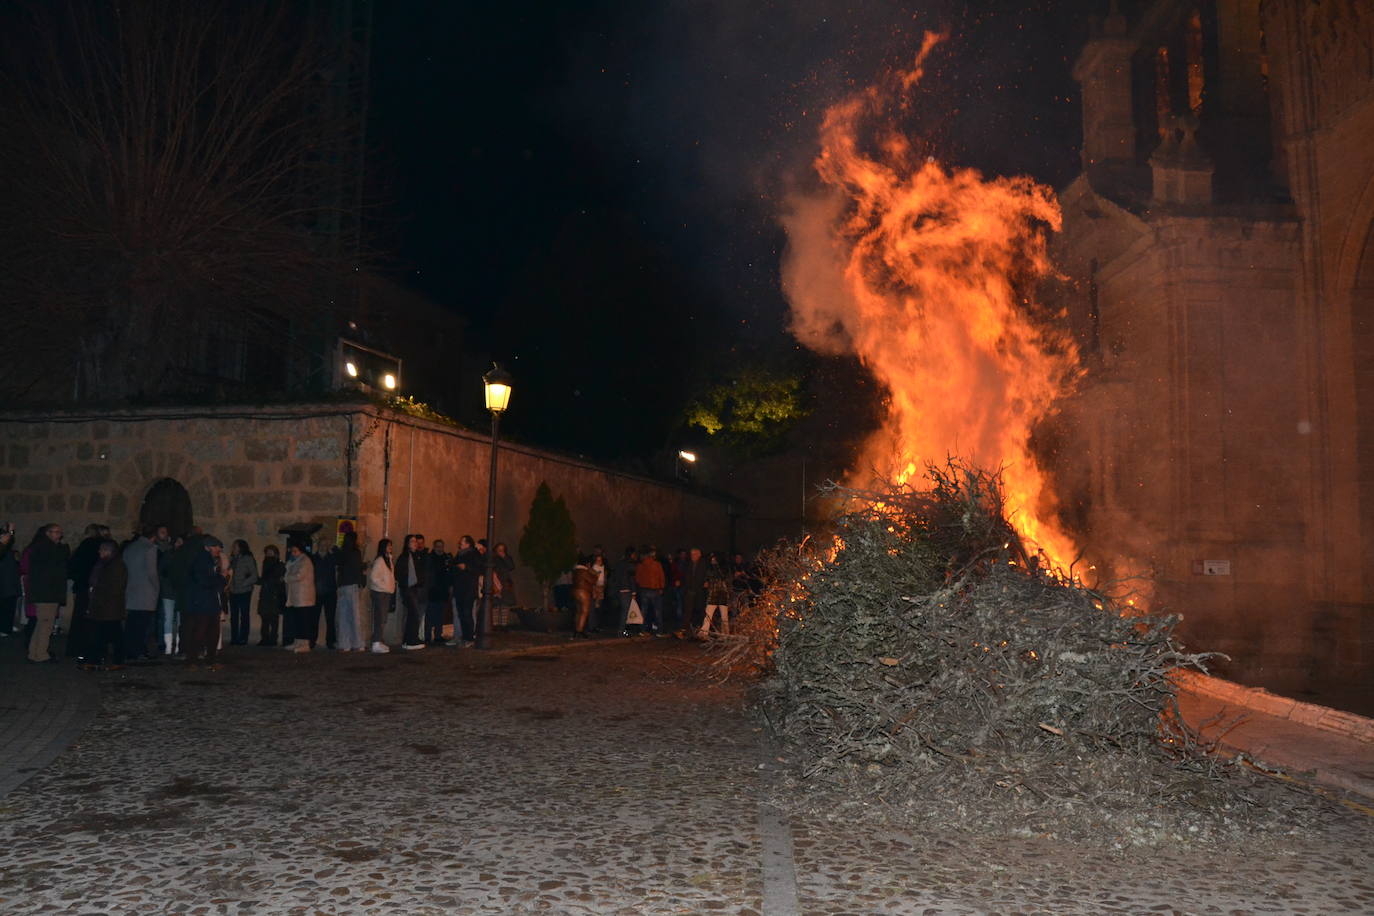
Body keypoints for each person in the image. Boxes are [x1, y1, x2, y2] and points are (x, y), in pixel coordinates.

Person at [26, 524, 70, 663]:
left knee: (41, 624)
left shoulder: (41, 547)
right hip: (47, 593)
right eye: (56, 532)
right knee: (46, 624)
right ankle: (41, 654)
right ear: (48, 533)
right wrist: (63, 547)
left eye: (60, 532)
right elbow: (55, 564)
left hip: (46, 593)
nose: (59, 535)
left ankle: (34, 653)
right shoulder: (47, 548)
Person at [83, 539, 128, 670]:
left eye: (102, 549)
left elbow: (115, 587)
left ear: (108, 551)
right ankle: (95, 659)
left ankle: (117, 661)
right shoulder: (104, 564)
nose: (99, 552)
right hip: (101, 606)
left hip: (110, 607)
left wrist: (98, 590)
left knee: (114, 635)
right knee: (98, 635)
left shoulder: (116, 565)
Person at [183, 535, 226, 667]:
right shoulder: (202, 560)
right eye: (215, 546)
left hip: (207, 601)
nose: (218, 549)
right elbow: (205, 581)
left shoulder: (207, 560)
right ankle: (195, 660)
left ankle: (207, 660)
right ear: (207, 547)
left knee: (210, 632)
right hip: (203, 602)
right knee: (201, 632)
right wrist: (221, 578)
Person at [121, 526, 160, 660]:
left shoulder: (130, 547)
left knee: (132, 623)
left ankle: (129, 649)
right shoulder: (150, 549)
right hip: (145, 592)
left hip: (131, 590)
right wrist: (157, 588)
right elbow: (152, 572)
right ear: (153, 537)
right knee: (142, 624)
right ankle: (138, 651)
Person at [64, 524, 103, 658]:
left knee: (80, 618)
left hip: (83, 586)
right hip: (95, 587)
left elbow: (74, 566)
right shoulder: (100, 546)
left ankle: (76, 649)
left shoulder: (86, 546)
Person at [395, 534, 428, 650]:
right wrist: (407, 583)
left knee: (413, 614)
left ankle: (410, 638)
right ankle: (410, 640)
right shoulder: (405, 557)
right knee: (414, 614)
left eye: (416, 541)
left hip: (414, 588)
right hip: (408, 589)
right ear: (408, 544)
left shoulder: (416, 556)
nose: (415, 543)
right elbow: (399, 573)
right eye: (413, 541)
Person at [334, 531, 365, 652]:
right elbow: (357, 567)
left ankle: (344, 643)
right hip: (352, 585)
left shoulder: (341, 552)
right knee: (354, 615)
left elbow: (339, 565)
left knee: (343, 616)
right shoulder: (355, 552)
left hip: (342, 585)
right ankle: (357, 643)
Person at [284, 542, 316, 653]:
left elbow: (299, 576)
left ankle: (305, 644)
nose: (293, 553)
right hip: (296, 597)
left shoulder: (305, 561)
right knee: (297, 620)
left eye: (295, 551)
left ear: (301, 551)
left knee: (303, 621)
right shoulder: (294, 561)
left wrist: (287, 577)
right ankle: (297, 641)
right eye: (292, 551)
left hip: (304, 597)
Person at [227, 540, 259, 646]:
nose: (233, 549)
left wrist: (244, 584)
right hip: (233, 591)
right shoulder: (233, 559)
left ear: (241, 548)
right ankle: (234, 638)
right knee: (234, 616)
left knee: (244, 615)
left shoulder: (248, 559)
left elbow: (254, 576)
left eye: (235, 547)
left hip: (244, 591)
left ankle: (243, 638)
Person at [366, 538, 395, 653]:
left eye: (391, 546)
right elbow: (374, 577)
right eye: (388, 546)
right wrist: (384, 585)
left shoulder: (389, 559)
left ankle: (378, 640)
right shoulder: (380, 560)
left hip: (386, 592)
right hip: (380, 592)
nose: (390, 548)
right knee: (379, 618)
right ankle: (376, 642)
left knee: (383, 618)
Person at [451, 535, 479, 646]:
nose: (459, 543)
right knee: (461, 614)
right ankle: (465, 636)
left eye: (462, 541)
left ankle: (469, 638)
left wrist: (466, 567)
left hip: (468, 589)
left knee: (467, 613)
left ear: (468, 544)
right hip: (459, 589)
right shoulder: (459, 554)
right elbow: (454, 568)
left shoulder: (473, 554)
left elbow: (478, 568)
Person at [698, 552, 732, 639]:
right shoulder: (710, 568)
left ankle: (725, 634)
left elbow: (724, 577)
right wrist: (706, 581)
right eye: (712, 558)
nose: (713, 560)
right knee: (708, 615)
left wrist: (716, 566)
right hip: (713, 594)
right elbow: (707, 577)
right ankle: (703, 633)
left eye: (714, 558)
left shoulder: (724, 568)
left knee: (724, 616)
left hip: (722, 594)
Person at [425, 538, 452, 646]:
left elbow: (449, 574)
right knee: (430, 615)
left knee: (440, 615)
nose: (440, 548)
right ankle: (427, 636)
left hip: (443, 591)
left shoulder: (447, 558)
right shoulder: (430, 558)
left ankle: (437, 635)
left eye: (441, 546)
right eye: (438, 546)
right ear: (434, 547)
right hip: (432, 591)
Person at [257, 544, 286, 646]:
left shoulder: (279, 564)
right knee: (265, 618)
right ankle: (264, 638)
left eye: (271, 552)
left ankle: (273, 639)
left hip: (274, 594)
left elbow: (279, 580)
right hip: (266, 594)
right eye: (267, 552)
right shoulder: (266, 563)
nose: (269, 554)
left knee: (274, 618)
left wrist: (266, 581)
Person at [312, 538, 338, 649]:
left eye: (325, 545)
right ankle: (312, 640)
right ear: (318, 546)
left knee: (330, 618)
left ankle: (330, 641)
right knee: (314, 618)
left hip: (330, 591)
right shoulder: (313, 558)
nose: (323, 546)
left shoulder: (332, 558)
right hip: (316, 592)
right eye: (321, 544)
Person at [634, 546, 665, 636]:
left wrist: (641, 585)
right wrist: (661, 587)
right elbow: (661, 577)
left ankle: (642, 630)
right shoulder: (657, 564)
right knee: (658, 611)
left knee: (643, 611)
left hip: (644, 590)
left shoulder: (640, 565)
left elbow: (637, 579)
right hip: (655, 589)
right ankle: (659, 630)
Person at [678, 547, 708, 638]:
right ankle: (685, 629)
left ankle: (700, 628)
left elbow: (707, 574)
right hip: (690, 590)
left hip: (700, 590)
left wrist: (706, 581)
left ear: (699, 555)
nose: (692, 556)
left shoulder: (704, 564)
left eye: (694, 554)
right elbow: (685, 575)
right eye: (691, 554)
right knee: (688, 610)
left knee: (700, 609)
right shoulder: (688, 564)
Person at [610, 546, 638, 636]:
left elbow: (614, 577)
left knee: (622, 611)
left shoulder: (619, 564)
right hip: (626, 590)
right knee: (625, 612)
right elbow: (631, 579)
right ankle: (621, 631)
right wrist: (634, 591)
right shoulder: (630, 565)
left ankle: (622, 630)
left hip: (619, 590)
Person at [0, 522, 19, 638]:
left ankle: (7, 626)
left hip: (9, 582)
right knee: (4, 606)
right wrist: (10, 532)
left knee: (9, 605)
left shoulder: (7, 550)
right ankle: (3, 627)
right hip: (3, 582)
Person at [492, 542, 516, 624]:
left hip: (505, 583)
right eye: (499, 549)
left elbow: (511, 566)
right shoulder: (493, 558)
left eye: (502, 549)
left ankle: (504, 625)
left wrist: (504, 557)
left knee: (505, 605)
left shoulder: (507, 558)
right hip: (495, 583)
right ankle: (495, 625)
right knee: (495, 605)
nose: (501, 551)